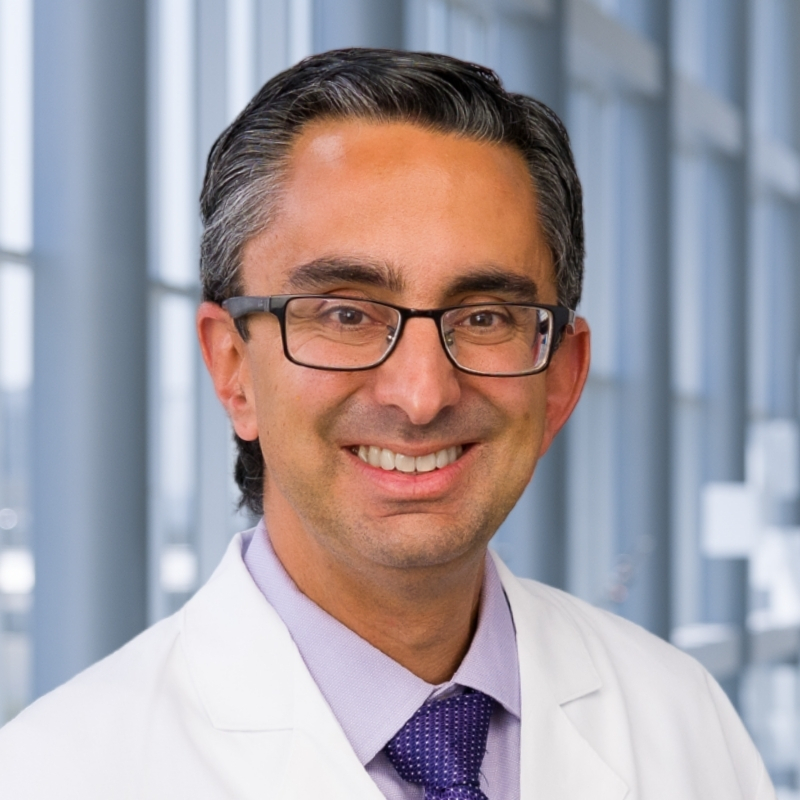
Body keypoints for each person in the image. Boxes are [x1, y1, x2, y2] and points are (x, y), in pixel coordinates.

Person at [0, 48, 774, 800]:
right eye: (345, 313)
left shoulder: (684, 723)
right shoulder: (53, 775)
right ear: (233, 369)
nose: (422, 394)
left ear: (562, 380)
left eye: (485, 317)